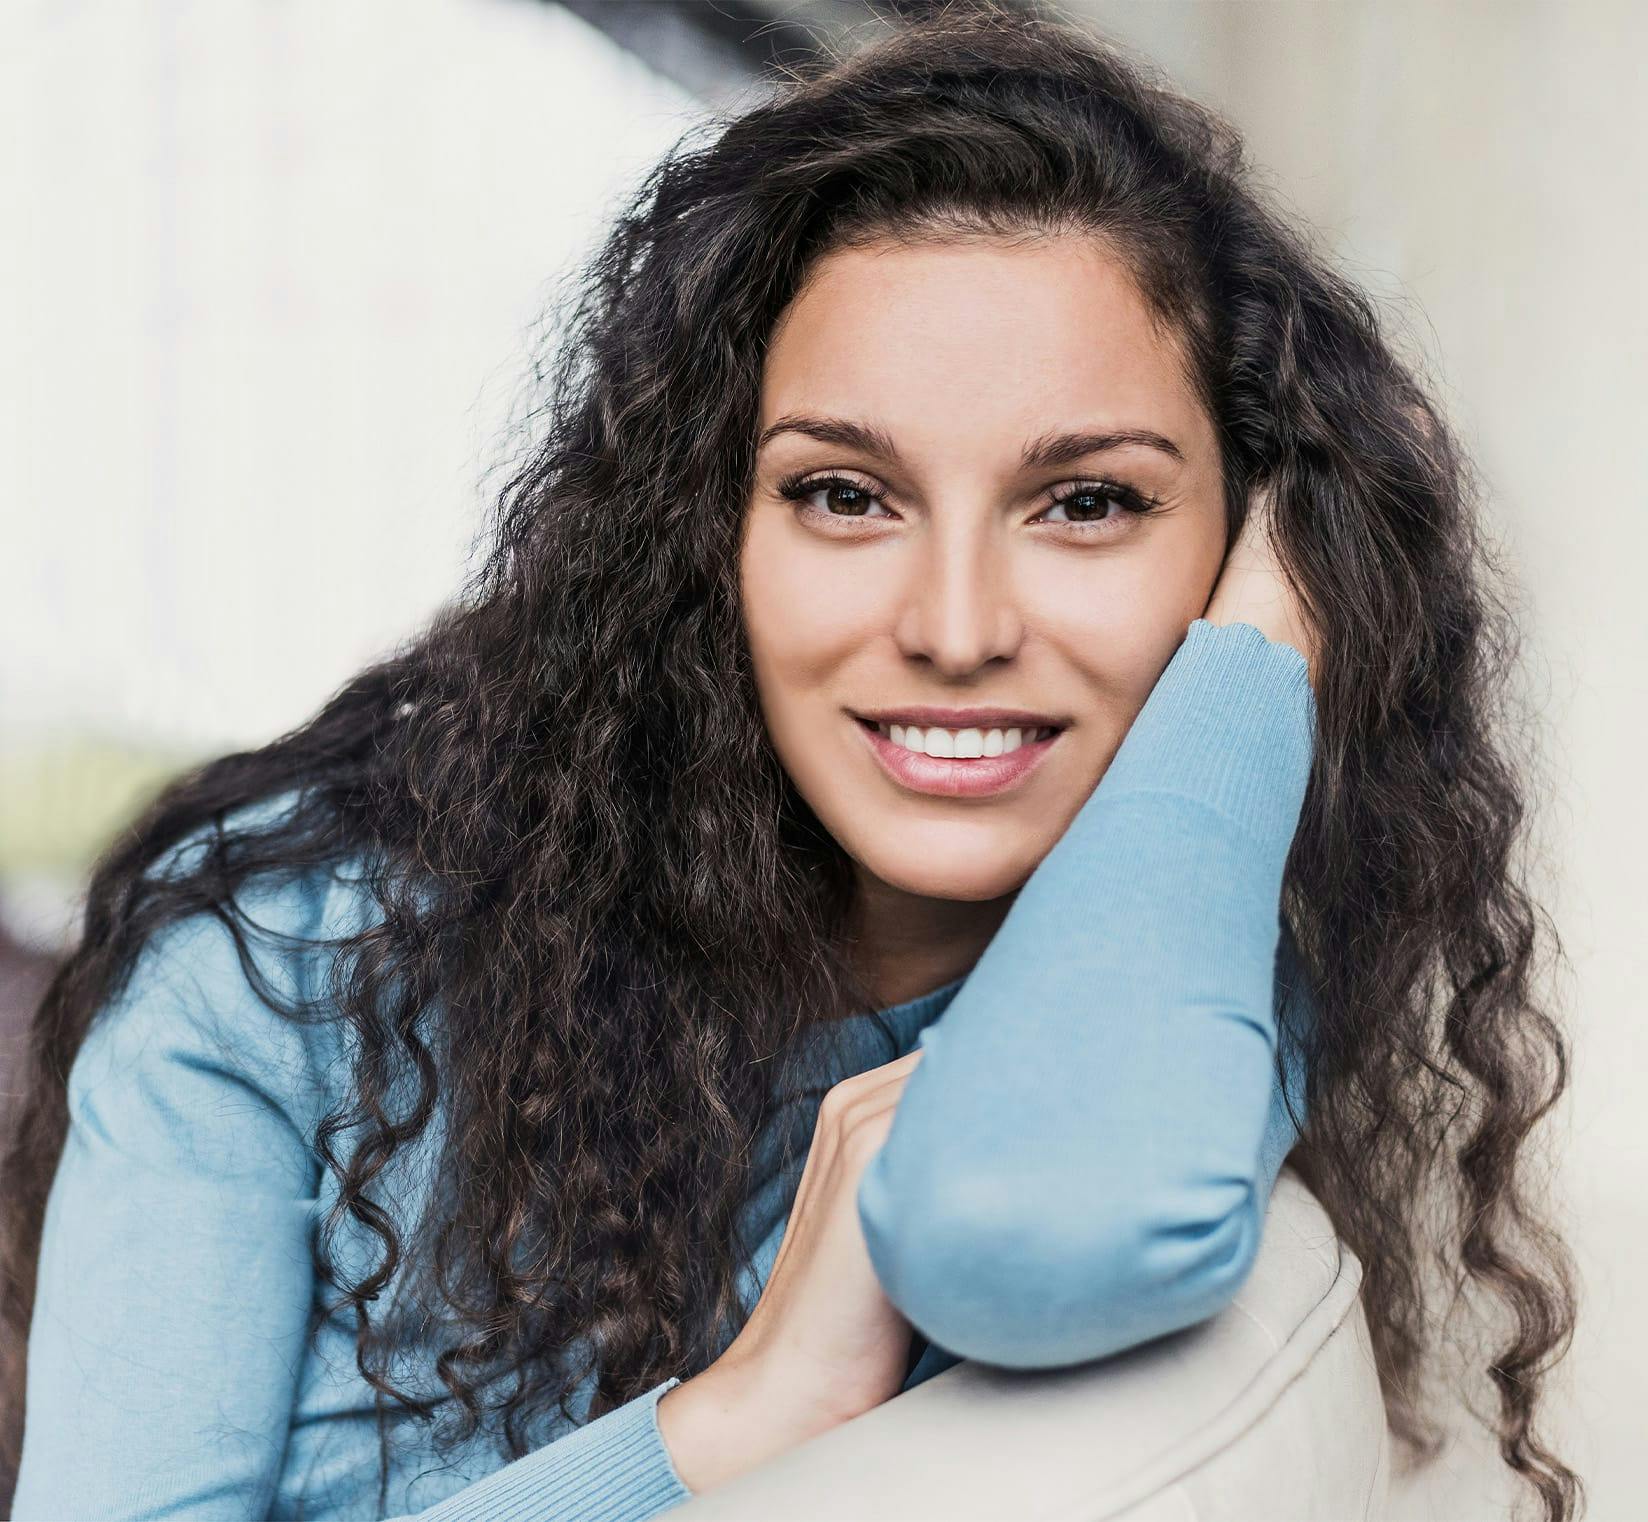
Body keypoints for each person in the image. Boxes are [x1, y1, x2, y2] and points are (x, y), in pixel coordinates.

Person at [0, 10, 1580, 1521]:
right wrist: (741, 1418)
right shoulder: (289, 967)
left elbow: (1037, 1215)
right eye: (844, 494)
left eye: (1088, 503)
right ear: (707, 536)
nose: (954, 627)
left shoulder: (1173, 964)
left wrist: (1299, 599)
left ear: (1229, 547)